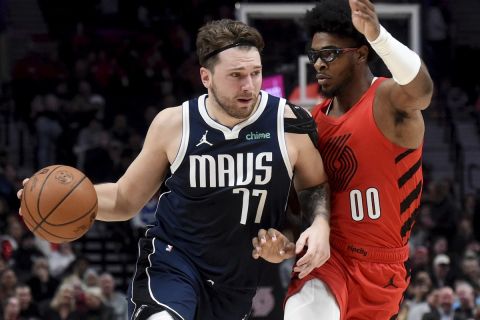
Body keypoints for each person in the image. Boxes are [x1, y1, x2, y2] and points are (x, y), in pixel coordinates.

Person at [18, 19, 331, 320]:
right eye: (236, 75)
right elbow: (125, 199)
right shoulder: (174, 124)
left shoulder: (289, 123)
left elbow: (313, 189)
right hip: (173, 261)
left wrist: (313, 227)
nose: (249, 85)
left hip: (235, 282)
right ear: (206, 77)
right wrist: (50, 200)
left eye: (256, 72)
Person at [252, 0, 434, 319]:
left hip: (383, 270)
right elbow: (300, 209)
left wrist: (379, 36)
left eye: (330, 54)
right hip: (327, 259)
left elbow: (422, 90)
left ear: (361, 53)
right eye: (314, 56)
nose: (319, 64)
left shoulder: (389, 101)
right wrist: (286, 243)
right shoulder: (310, 124)